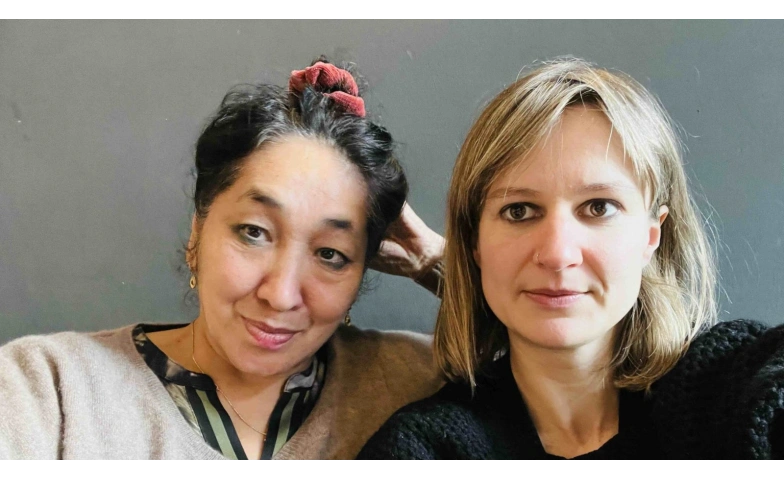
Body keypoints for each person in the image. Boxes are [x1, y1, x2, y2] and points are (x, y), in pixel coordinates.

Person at [0, 58, 445, 462]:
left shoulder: (416, 379)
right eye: (254, 232)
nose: (280, 295)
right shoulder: (48, 389)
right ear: (198, 230)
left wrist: (430, 260)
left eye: (331, 254)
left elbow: (494, 345)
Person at [357, 57, 784, 463]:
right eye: (519, 211)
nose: (557, 255)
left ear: (652, 235)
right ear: (474, 242)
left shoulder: (731, 390)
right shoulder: (423, 450)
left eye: (599, 207)